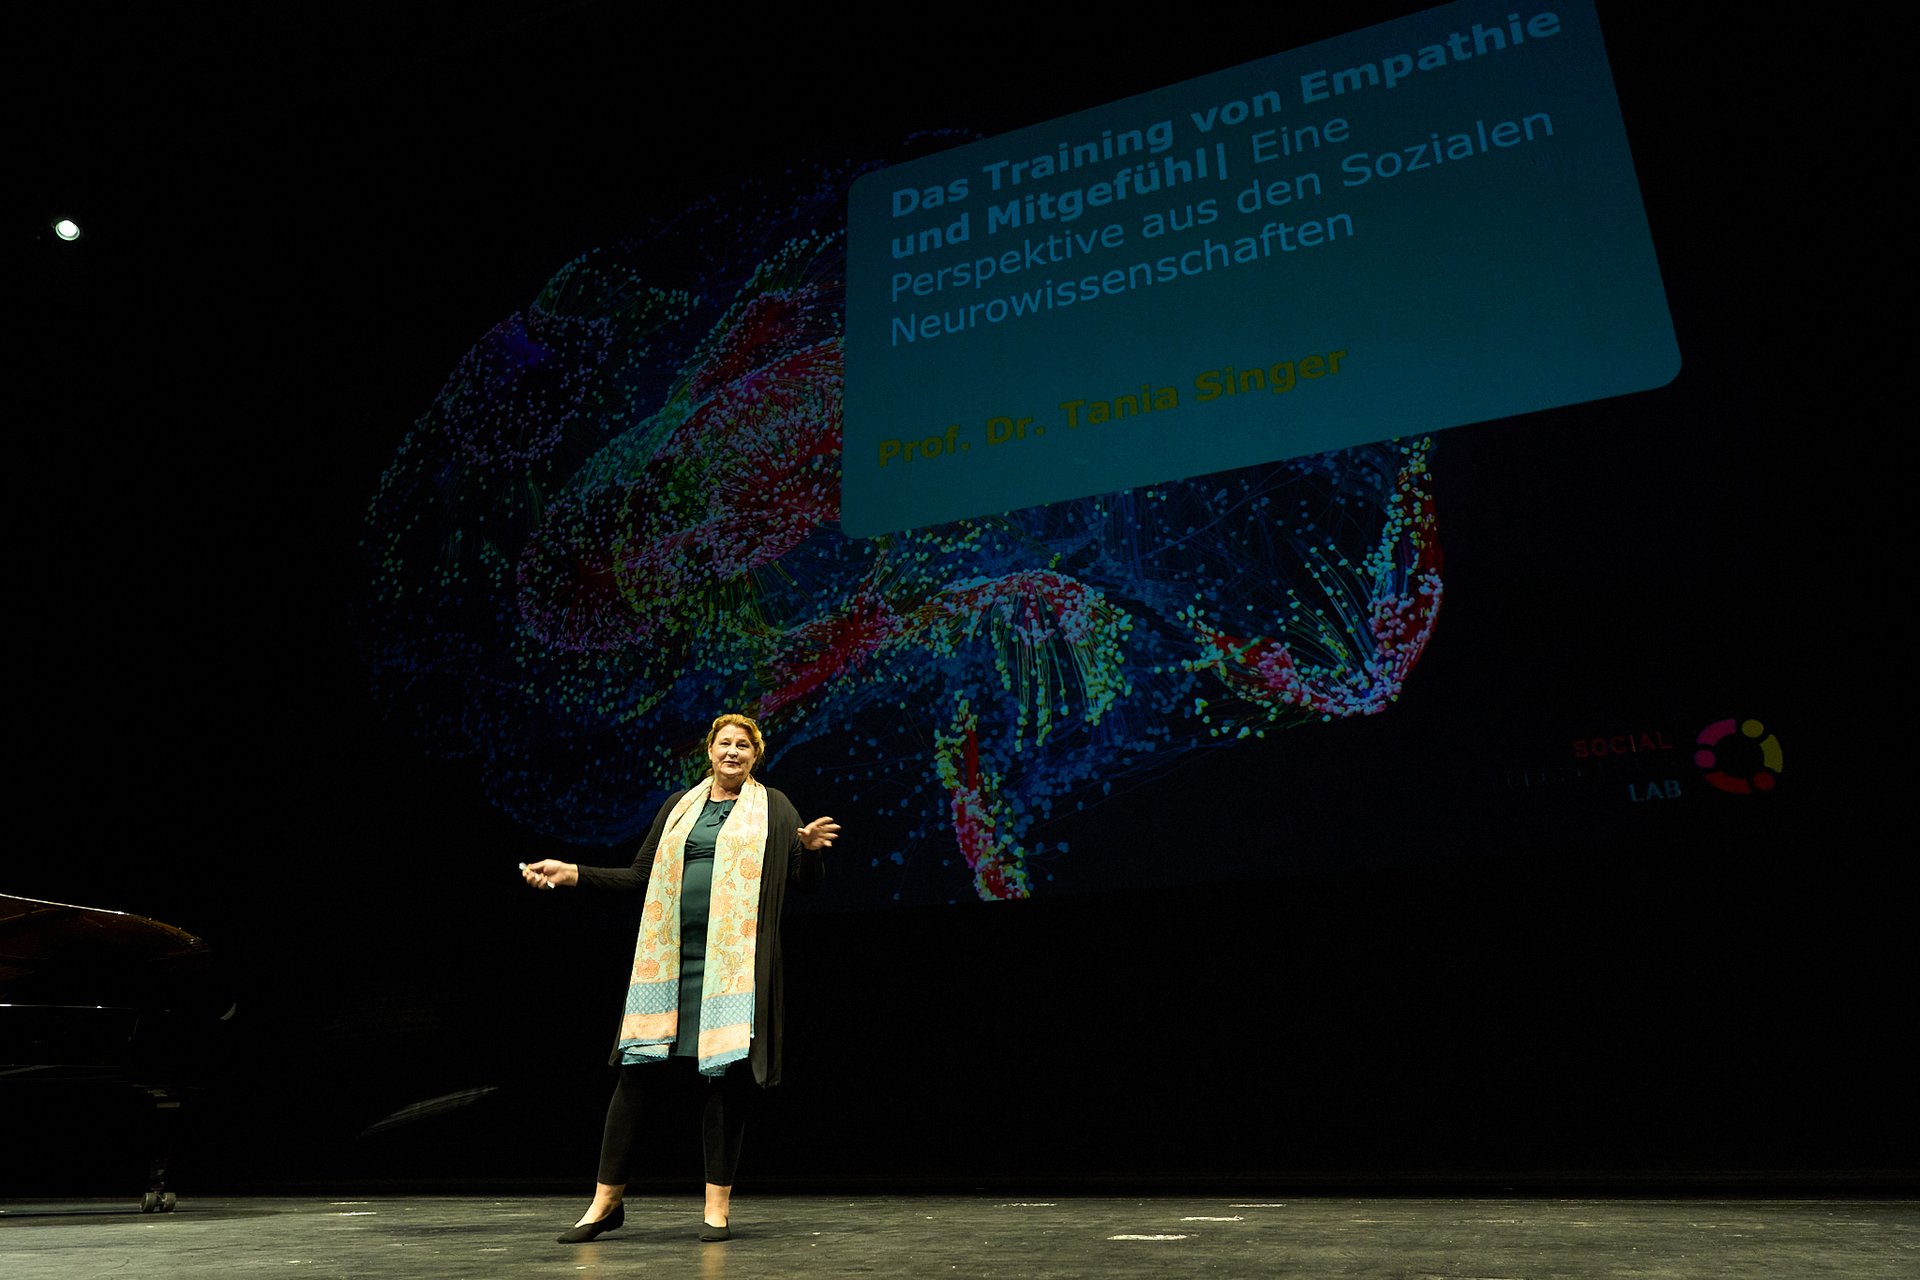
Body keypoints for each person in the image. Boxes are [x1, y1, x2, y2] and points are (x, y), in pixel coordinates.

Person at [520, 713, 838, 1244]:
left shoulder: (775, 808)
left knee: (725, 1079)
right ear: (709, 751)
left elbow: (803, 884)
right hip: (671, 961)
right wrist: (572, 872)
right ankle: (605, 1203)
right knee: (635, 1077)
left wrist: (805, 850)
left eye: (743, 746)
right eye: (724, 743)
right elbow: (641, 877)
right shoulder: (679, 807)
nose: (732, 752)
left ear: (755, 757)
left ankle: (716, 1209)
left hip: (731, 970)